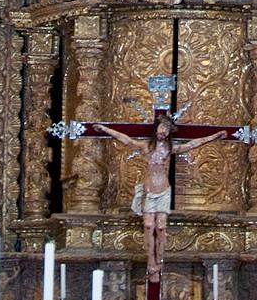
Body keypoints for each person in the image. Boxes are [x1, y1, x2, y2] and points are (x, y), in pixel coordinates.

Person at [93, 111, 236, 282]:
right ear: (156, 129)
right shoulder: (146, 147)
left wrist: (214, 136)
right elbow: (126, 139)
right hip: (149, 191)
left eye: (167, 130)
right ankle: (150, 262)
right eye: (162, 128)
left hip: (163, 191)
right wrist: (105, 129)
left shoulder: (169, 149)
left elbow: (193, 144)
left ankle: (159, 261)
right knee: (148, 226)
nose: (164, 132)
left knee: (160, 227)